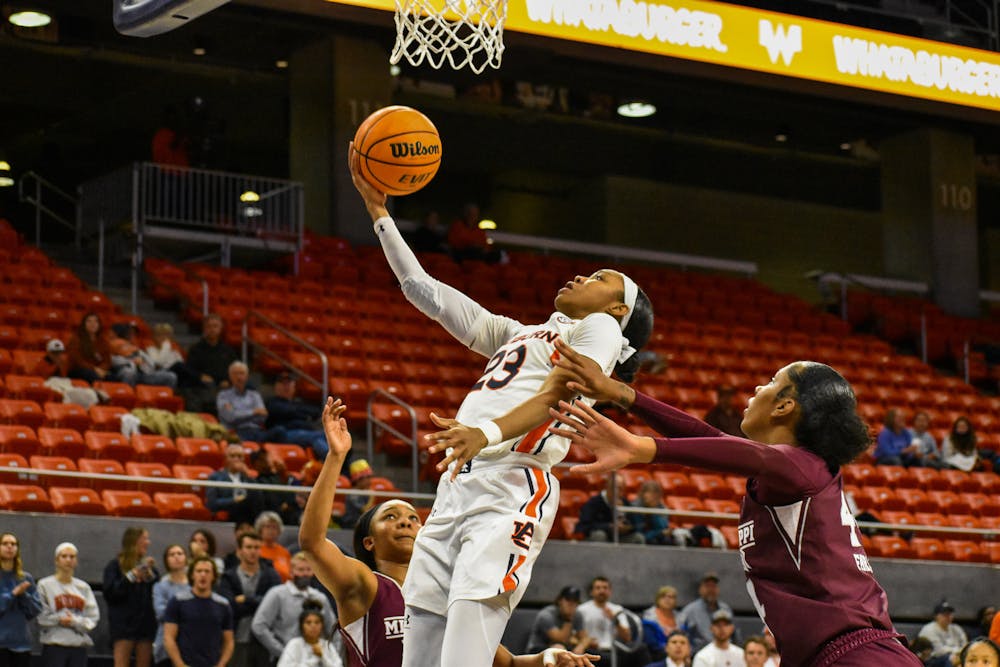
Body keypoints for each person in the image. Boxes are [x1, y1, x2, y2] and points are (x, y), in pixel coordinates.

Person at [349, 144, 654, 667]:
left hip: (511, 483)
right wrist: (380, 213)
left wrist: (483, 433)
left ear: (618, 309)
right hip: (458, 487)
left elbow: (557, 397)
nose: (582, 277)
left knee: (464, 653)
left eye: (599, 279)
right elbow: (422, 289)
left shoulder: (600, 329)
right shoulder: (522, 333)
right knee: (418, 652)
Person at [546, 344, 922, 667]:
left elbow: (749, 455)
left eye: (771, 382)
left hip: (857, 655)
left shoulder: (800, 466)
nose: (759, 387)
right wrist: (624, 395)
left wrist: (643, 448)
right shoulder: (800, 470)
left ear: (785, 406)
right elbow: (713, 439)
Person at [299, 397, 601, 667]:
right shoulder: (366, 585)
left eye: (413, 518)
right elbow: (312, 543)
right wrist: (336, 457)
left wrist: (547, 657)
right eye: (390, 517)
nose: (405, 523)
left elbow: (506, 663)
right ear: (369, 541)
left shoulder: (447, 589)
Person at [251, 553, 336, 664]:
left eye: (308, 569)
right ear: (291, 572)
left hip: (316, 659)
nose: (304, 574)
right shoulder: (277, 594)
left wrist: (330, 654)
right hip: (283, 659)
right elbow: (258, 625)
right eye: (300, 569)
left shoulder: (320, 598)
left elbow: (333, 631)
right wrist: (283, 651)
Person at [217, 531, 281, 667]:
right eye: (249, 547)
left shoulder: (271, 575)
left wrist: (246, 599)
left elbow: (275, 606)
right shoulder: (228, 577)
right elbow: (228, 607)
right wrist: (260, 603)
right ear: (239, 550)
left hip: (266, 639)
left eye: (257, 547)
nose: (253, 551)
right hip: (237, 638)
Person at [37, 542, 100, 667]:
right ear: (56, 560)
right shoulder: (45, 585)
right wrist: (60, 619)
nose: (68, 560)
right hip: (54, 646)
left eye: (72, 557)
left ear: (76, 561)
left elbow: (92, 618)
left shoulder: (83, 587)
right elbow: (41, 617)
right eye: (64, 556)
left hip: (78, 647)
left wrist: (73, 621)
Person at [162, 557, 234, 667]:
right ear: (192, 575)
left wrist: (221, 664)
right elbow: (168, 637)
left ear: (213, 576)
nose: (203, 575)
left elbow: (229, 641)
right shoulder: (178, 601)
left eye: (207, 571)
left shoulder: (223, 605)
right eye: (199, 571)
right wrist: (180, 664)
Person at [103, 527, 159, 667]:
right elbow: (111, 593)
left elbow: (157, 592)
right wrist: (132, 576)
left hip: (145, 625)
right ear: (134, 541)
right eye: (145, 539)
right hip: (123, 626)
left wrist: (151, 575)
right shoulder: (114, 566)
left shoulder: (150, 568)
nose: (148, 542)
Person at [266, 372, 332, 460]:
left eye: (289, 383)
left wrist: (299, 413)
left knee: (328, 436)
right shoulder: (272, 402)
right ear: (276, 386)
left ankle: (338, 463)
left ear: (294, 386)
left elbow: (315, 412)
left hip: (305, 432)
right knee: (317, 437)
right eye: (283, 384)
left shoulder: (298, 402)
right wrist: (304, 415)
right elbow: (286, 411)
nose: (286, 387)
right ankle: (333, 461)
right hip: (286, 434)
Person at [217, 362, 287, 443]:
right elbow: (231, 417)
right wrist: (254, 412)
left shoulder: (254, 395)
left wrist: (239, 414)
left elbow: (263, 417)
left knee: (280, 431)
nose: (239, 377)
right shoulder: (223, 396)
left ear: (246, 377)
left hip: (257, 431)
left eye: (242, 373)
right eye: (235, 373)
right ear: (230, 376)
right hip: (237, 433)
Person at [577, 577, 641, 667]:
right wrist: (587, 642)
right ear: (591, 592)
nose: (602, 591)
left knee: (640, 650)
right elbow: (574, 635)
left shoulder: (617, 609)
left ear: (610, 591)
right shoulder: (581, 610)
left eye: (605, 588)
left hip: (614, 650)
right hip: (591, 649)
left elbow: (627, 637)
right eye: (598, 588)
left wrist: (615, 619)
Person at [0, 533, 42, 667]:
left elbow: (35, 609)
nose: (10, 547)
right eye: (5, 543)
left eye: (13, 544)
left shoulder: (25, 578)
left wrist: (24, 595)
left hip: (21, 643)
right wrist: (13, 594)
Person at [183, 313, 239, 413]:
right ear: (204, 329)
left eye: (215, 326)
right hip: (203, 387)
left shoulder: (228, 350)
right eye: (209, 326)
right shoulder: (195, 349)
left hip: (224, 386)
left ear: (221, 328)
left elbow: (235, 369)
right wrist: (200, 376)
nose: (212, 329)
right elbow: (188, 370)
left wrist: (228, 380)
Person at [33, 339, 104, 408]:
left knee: (85, 390)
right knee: (69, 393)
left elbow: (66, 375)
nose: (57, 355)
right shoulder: (42, 364)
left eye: (59, 352)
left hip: (63, 384)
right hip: (49, 385)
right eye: (54, 353)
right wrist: (57, 365)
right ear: (48, 352)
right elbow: (45, 378)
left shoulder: (64, 362)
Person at [206, 444, 265, 525]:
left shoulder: (249, 477)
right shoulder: (215, 477)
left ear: (244, 459)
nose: (236, 459)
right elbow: (212, 503)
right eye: (233, 456)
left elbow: (259, 500)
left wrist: (247, 475)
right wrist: (234, 500)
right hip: (228, 516)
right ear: (226, 459)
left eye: (240, 456)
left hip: (248, 517)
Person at [676, 573, 735, 654]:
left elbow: (734, 634)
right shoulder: (689, 611)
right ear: (700, 589)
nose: (711, 590)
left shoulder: (726, 609)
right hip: (698, 654)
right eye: (707, 586)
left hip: (725, 652)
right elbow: (679, 634)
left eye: (713, 586)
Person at [576, 474, 643, 543]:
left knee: (638, 537)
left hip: (619, 538)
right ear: (607, 487)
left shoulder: (625, 503)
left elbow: (636, 524)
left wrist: (626, 526)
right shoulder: (594, 503)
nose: (618, 492)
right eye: (615, 488)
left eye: (621, 489)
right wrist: (609, 526)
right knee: (600, 535)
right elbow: (583, 527)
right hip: (599, 538)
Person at [153, 545, 190, 667]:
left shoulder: (195, 586)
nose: (176, 557)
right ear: (166, 560)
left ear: (186, 558)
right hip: (165, 646)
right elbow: (161, 613)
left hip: (190, 644)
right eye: (172, 554)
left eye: (180, 553)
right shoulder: (160, 586)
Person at [109, 322, 178, 388]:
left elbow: (152, 364)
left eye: (134, 333)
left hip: (142, 374)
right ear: (124, 333)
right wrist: (131, 362)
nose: (132, 335)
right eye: (130, 332)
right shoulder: (115, 344)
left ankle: (164, 397)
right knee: (128, 372)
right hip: (125, 371)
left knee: (171, 376)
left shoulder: (137, 348)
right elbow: (113, 360)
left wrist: (143, 364)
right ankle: (129, 396)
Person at [525, 586, 591, 654]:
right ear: (560, 601)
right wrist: (568, 619)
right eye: (568, 600)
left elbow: (585, 638)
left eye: (575, 601)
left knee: (595, 655)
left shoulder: (577, 614)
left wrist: (581, 647)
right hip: (537, 650)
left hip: (562, 649)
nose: (571, 604)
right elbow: (561, 640)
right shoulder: (546, 615)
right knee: (559, 649)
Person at [276, 601, 343, 667]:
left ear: (322, 625)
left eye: (317, 622)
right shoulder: (294, 644)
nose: (313, 626)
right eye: (308, 622)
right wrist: (312, 662)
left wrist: (322, 656)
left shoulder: (327, 645)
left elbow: (339, 665)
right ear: (301, 626)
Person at [67, 312, 113, 383]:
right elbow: (77, 361)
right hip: (79, 370)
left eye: (96, 321)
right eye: (89, 321)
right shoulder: (76, 339)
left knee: (113, 377)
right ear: (84, 324)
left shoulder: (103, 341)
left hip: (98, 370)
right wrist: (94, 369)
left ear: (99, 324)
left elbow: (107, 361)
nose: (93, 324)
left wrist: (101, 369)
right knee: (93, 375)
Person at [918, 602, 967, 667]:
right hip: (931, 660)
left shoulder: (957, 628)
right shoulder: (929, 629)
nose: (948, 616)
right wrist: (958, 651)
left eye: (950, 614)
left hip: (955, 656)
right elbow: (939, 651)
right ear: (936, 616)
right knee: (949, 659)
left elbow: (965, 646)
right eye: (944, 614)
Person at [640, 586, 680, 660]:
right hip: (656, 654)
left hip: (678, 651)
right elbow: (651, 643)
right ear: (657, 599)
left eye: (671, 597)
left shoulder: (680, 616)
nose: (667, 599)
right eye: (663, 596)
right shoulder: (649, 616)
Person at [630, 481, 673, 546]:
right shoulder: (636, 507)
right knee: (652, 541)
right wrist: (659, 533)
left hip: (656, 536)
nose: (652, 496)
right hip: (641, 536)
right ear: (643, 494)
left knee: (667, 540)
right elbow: (639, 531)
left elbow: (663, 528)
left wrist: (654, 510)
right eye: (649, 492)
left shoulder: (662, 508)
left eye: (655, 493)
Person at [255, 511, 293, 583]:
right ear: (260, 529)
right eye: (267, 526)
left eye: (274, 527)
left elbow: (290, 574)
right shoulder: (255, 549)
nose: (271, 530)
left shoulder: (284, 552)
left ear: (279, 531)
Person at [340, 458, 377, 529]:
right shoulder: (353, 494)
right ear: (358, 480)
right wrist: (372, 497)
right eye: (367, 478)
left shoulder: (365, 492)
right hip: (350, 527)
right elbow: (365, 511)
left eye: (370, 477)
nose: (369, 480)